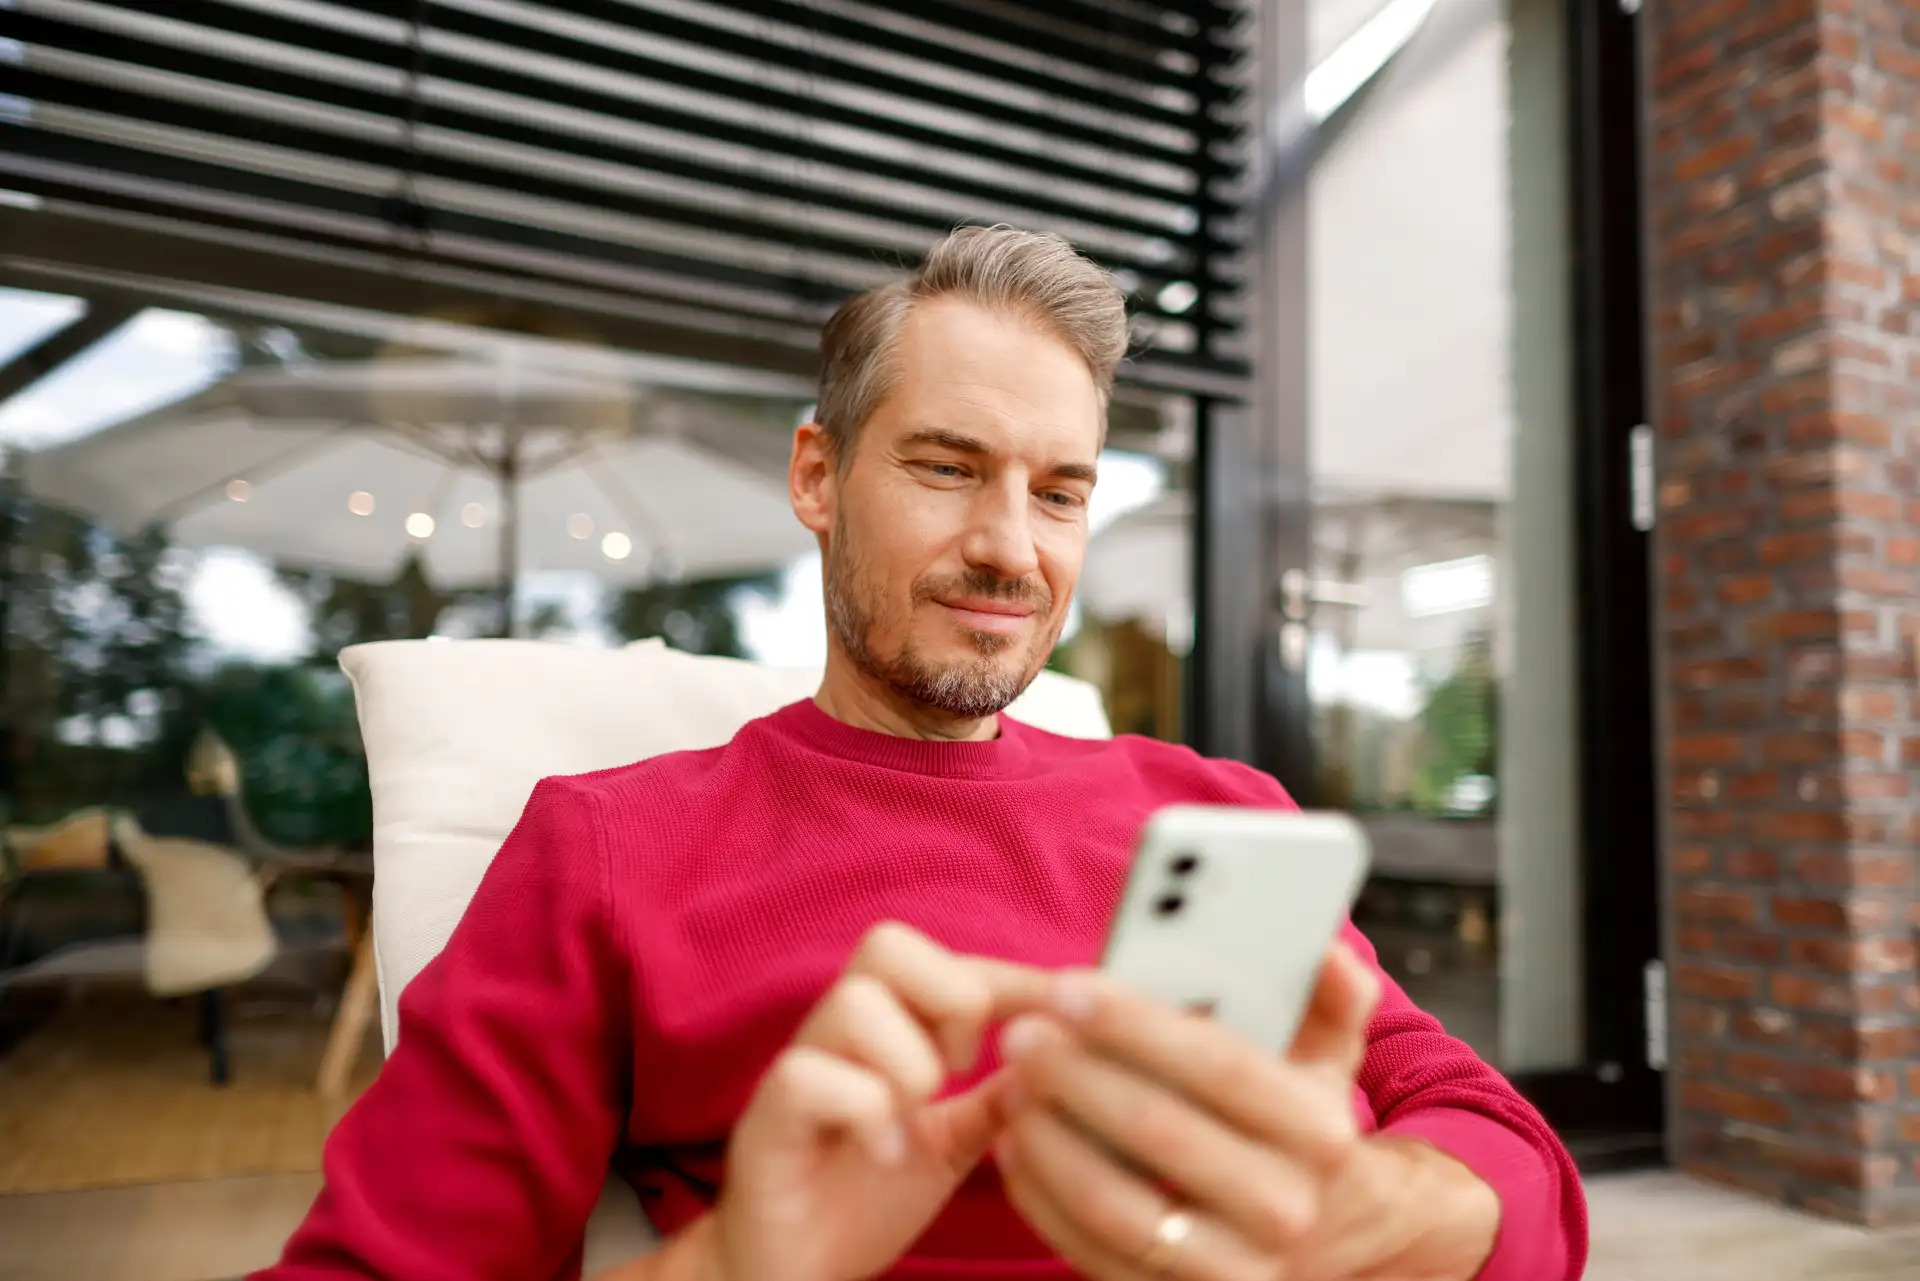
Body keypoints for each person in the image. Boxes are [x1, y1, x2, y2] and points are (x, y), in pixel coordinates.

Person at [257, 227, 1586, 1281]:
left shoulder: (1209, 805)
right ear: (819, 478)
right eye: (949, 468)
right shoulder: (611, 849)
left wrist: (1376, 1215)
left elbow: (1486, 1136)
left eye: (1060, 490)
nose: (1015, 545)